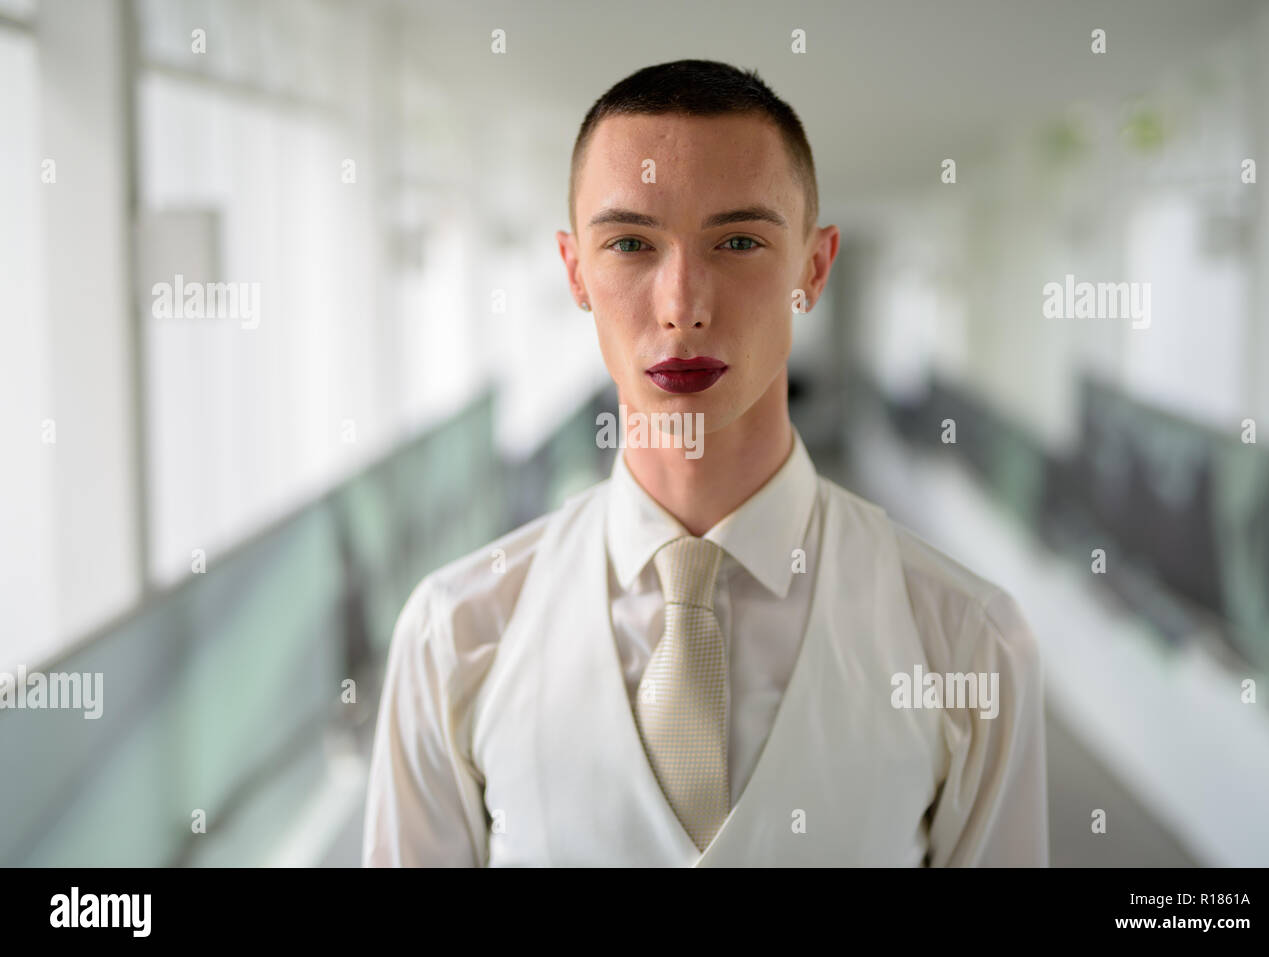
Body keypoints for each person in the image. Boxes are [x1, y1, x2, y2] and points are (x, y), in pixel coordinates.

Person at [362, 58, 1048, 866]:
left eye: (738, 241)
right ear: (575, 269)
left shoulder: (968, 643)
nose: (682, 304)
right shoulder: (456, 636)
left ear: (814, 268)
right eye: (629, 243)